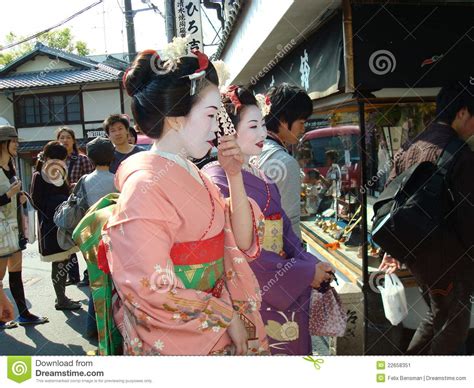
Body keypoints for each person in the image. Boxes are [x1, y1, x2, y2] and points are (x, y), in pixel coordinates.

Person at [100, 47, 269, 356]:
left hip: (217, 317)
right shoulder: (144, 186)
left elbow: (239, 242)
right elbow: (148, 285)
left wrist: (234, 176)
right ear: (176, 118)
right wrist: (222, 314)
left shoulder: (195, 171)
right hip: (186, 335)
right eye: (210, 114)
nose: (218, 126)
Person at [203, 86, 334, 355]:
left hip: (286, 278)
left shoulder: (260, 175)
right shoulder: (218, 180)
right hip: (257, 290)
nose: (263, 134)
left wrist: (310, 263)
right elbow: (241, 252)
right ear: (226, 131)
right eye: (253, 126)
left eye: (263, 124)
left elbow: (286, 231)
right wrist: (304, 272)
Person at [380, 82, 474, 355]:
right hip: (449, 258)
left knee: (438, 316)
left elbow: (390, 197)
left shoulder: (412, 146)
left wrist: (392, 249)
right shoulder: (461, 154)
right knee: (453, 326)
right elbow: (468, 216)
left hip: (417, 257)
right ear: (463, 113)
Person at [0, 125, 48, 328]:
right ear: (4, 143)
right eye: (14, 141)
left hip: (14, 226)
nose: (17, 145)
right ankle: (3, 315)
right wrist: (8, 196)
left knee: (16, 272)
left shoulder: (10, 165)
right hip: (1, 231)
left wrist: (17, 197)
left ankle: (24, 313)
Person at [255, 83, 313, 238]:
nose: (303, 129)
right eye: (301, 122)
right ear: (282, 119)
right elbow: (290, 220)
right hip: (276, 250)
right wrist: (299, 258)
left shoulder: (253, 149)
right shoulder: (285, 162)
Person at [30, 141, 81, 310]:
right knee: (59, 260)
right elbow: (36, 201)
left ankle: (62, 297)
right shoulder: (39, 175)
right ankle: (61, 299)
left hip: (63, 223)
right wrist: (59, 203)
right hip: (50, 225)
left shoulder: (58, 174)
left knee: (64, 258)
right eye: (58, 158)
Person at [81, 136, 118, 339]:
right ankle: (114, 326)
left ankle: (92, 327)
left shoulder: (85, 180)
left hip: (91, 237)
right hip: (114, 236)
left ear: (90, 158)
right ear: (112, 156)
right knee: (115, 283)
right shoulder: (117, 179)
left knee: (96, 281)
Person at [57, 127, 94, 286]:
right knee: (68, 239)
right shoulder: (55, 162)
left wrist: (77, 187)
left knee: (85, 239)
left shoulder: (82, 159)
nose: (64, 140)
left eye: (67, 137)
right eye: (61, 138)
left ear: (73, 140)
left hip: (80, 205)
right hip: (64, 205)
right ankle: (73, 276)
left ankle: (89, 273)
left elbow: (89, 180)